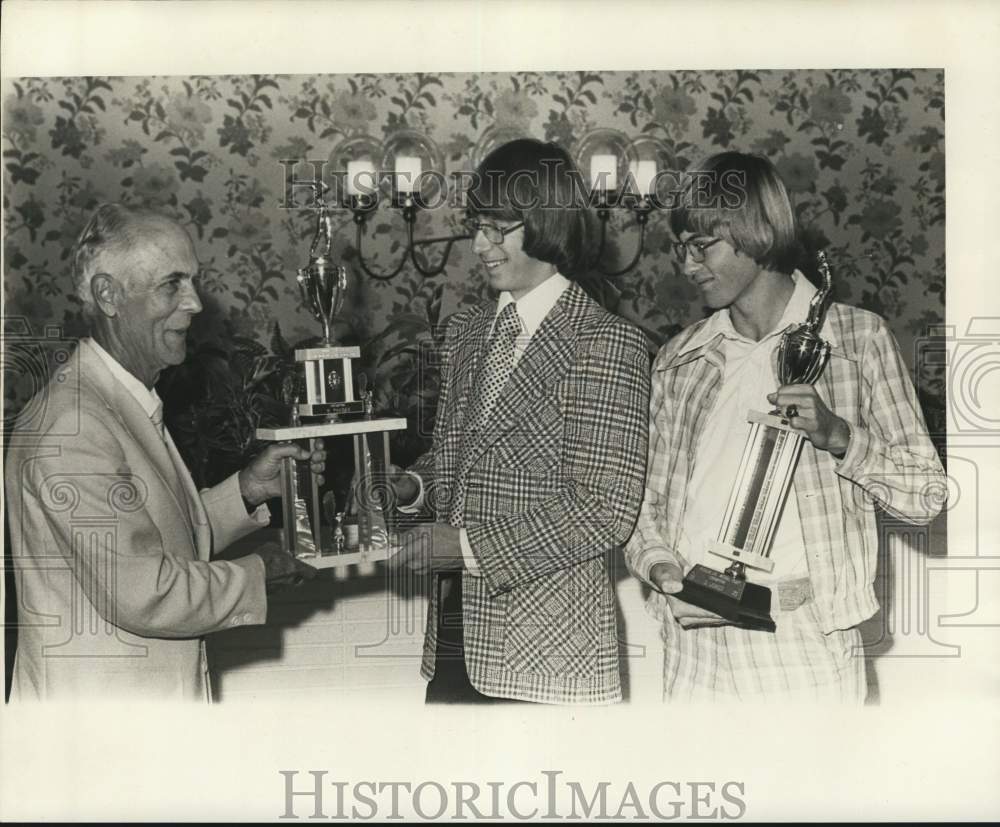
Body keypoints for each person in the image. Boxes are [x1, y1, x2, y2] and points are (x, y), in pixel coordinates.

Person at [625, 152, 947, 702]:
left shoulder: (858, 341)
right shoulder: (679, 359)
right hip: (693, 649)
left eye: (702, 247)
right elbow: (643, 506)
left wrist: (840, 437)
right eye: (680, 248)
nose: (687, 264)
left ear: (758, 231)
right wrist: (659, 568)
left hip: (803, 644)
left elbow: (927, 495)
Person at [5, 203, 321, 702]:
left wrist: (246, 489)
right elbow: (143, 591)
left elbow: (155, 538)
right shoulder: (74, 425)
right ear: (108, 295)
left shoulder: (117, 400)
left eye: (193, 281)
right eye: (171, 284)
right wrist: (259, 573)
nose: (194, 303)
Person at [389, 138, 651, 704]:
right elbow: (453, 459)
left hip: (550, 655)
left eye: (497, 227)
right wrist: (410, 488)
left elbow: (605, 507)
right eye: (476, 225)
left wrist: (463, 550)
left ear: (547, 222)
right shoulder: (467, 331)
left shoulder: (606, 343)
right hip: (456, 642)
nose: (479, 245)